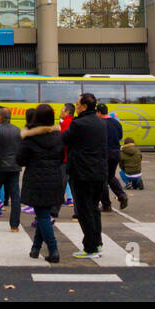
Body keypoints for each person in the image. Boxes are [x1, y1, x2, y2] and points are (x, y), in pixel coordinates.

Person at [62, 92, 108, 259]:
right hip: (100, 172)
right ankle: (98, 242)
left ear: (85, 106)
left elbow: (63, 140)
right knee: (94, 209)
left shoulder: (79, 124)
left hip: (82, 173)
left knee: (84, 211)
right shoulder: (101, 123)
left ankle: (90, 247)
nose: (76, 106)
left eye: (78, 104)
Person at [17, 103, 64, 263]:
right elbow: (61, 157)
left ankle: (53, 249)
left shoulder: (30, 138)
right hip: (55, 178)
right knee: (43, 213)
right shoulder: (59, 136)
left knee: (43, 215)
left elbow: (20, 159)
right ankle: (35, 249)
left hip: (37, 178)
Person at [97, 103, 129, 212]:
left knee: (102, 180)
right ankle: (121, 195)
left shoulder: (100, 123)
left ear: (99, 112)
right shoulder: (116, 123)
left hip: (104, 153)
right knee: (110, 176)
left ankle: (106, 205)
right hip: (115, 153)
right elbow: (120, 136)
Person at [59, 102, 76, 206]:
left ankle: (53, 211)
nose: (61, 111)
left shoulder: (67, 123)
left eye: (63, 110)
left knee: (61, 183)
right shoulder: (70, 122)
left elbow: (64, 142)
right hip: (70, 158)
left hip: (65, 158)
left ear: (68, 112)